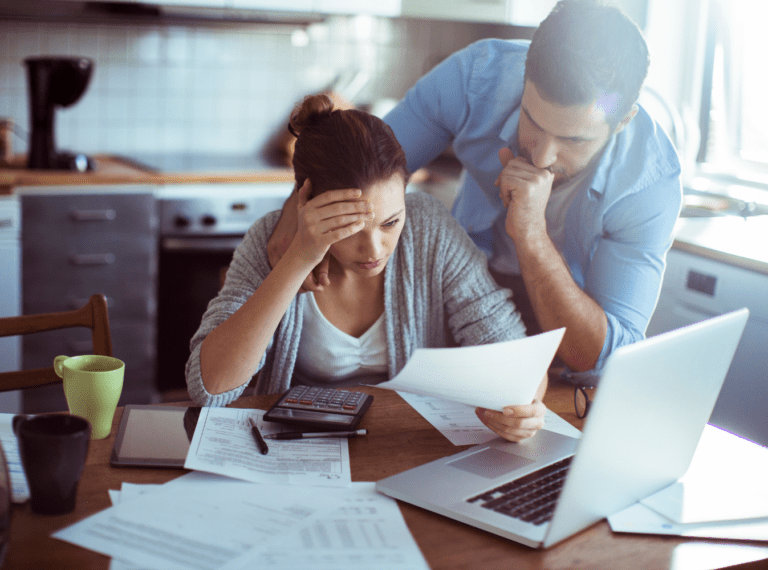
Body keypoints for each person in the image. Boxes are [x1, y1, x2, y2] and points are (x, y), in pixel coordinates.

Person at [267, 0, 682, 381]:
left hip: (571, 326)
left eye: (573, 140)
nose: (541, 157)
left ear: (623, 120)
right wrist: (296, 214)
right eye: (534, 121)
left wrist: (532, 236)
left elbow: (601, 356)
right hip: (466, 293)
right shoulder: (477, 77)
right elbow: (362, 163)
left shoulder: (650, 186)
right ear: (525, 77)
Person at [186, 94, 547, 443]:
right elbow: (209, 388)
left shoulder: (429, 228)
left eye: (390, 223)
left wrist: (525, 406)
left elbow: (513, 352)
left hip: (403, 445)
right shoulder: (271, 240)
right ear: (306, 205)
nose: (374, 250)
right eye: (351, 230)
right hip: (299, 448)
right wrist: (297, 261)